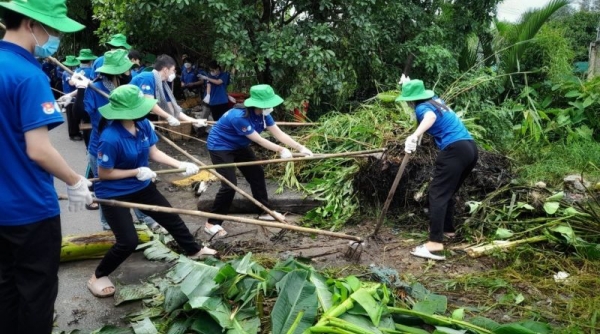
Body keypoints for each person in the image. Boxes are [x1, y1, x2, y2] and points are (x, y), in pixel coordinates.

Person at [0, 0, 91, 332]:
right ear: (30, 25)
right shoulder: (28, 74)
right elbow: (38, 150)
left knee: (6, 289)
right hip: (29, 211)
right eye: (51, 29)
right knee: (36, 295)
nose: (54, 37)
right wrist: (75, 179)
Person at [88, 85, 216, 297]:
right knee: (128, 241)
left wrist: (180, 164)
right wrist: (135, 171)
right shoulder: (110, 138)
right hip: (113, 191)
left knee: (169, 216)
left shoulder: (144, 125)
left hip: (141, 185)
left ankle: (194, 250)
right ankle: (98, 276)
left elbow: (154, 153)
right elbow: (104, 174)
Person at [204, 84, 313, 237]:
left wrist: (300, 148)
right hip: (220, 146)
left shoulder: (264, 114)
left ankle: (264, 210)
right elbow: (259, 140)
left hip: (240, 145)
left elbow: (279, 134)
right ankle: (212, 223)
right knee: (229, 185)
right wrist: (280, 150)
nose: (271, 107)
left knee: (257, 174)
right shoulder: (239, 117)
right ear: (258, 104)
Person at [72, 49, 163, 230]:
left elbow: (139, 106)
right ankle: (109, 227)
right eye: (128, 69)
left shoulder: (127, 87)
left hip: (131, 144)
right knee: (108, 190)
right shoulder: (95, 88)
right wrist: (81, 91)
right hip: (105, 146)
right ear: (121, 72)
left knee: (139, 181)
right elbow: (79, 114)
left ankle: (148, 220)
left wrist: (143, 120)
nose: (131, 72)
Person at [396, 79, 478, 261]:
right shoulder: (437, 101)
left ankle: (434, 244)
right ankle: (448, 230)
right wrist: (407, 83)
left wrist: (414, 135)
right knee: (447, 192)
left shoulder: (421, 108)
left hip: (454, 150)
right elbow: (434, 115)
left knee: (437, 194)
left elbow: (430, 118)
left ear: (410, 101)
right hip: (470, 148)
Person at [130, 54, 207, 127]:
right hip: (127, 114)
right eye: (173, 70)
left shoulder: (162, 84)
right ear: (165, 70)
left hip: (137, 115)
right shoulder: (147, 78)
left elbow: (173, 108)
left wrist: (194, 121)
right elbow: (149, 104)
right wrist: (169, 117)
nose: (174, 73)